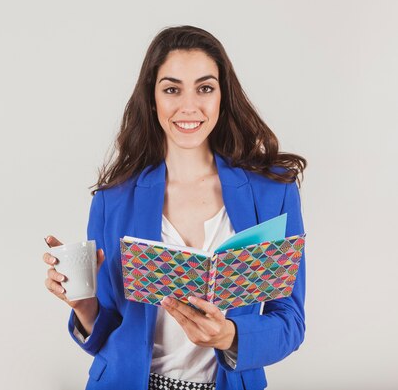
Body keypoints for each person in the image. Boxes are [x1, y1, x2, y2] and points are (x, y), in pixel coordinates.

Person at [42, 25, 307, 390]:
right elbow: (109, 333)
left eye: (205, 88)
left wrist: (229, 335)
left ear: (222, 97)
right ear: (153, 100)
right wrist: (83, 306)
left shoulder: (271, 192)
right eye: (171, 89)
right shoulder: (112, 200)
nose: (189, 106)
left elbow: (289, 321)